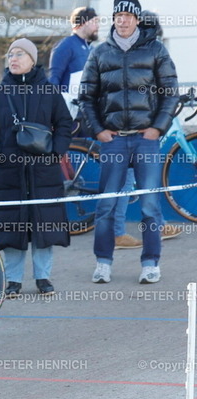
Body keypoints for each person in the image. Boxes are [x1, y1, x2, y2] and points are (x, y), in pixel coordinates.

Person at [79, 0, 179, 284]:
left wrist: (157, 128)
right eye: (118, 15)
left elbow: (170, 92)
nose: (122, 20)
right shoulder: (100, 52)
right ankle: (103, 262)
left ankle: (150, 263)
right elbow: (86, 96)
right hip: (113, 141)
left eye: (127, 15)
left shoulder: (156, 49)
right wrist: (98, 130)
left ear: (137, 19)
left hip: (146, 140)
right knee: (106, 206)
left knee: (150, 205)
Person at [0, 38, 72, 297]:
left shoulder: (49, 90)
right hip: (9, 171)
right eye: (10, 54)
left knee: (44, 224)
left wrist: (55, 153)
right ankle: (13, 281)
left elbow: (64, 124)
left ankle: (43, 277)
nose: (13, 59)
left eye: (20, 54)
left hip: (44, 171)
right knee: (12, 225)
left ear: (32, 59)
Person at [48, 6, 99, 121]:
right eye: (94, 21)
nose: (98, 26)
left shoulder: (92, 49)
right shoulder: (65, 46)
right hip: (70, 116)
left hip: (89, 114)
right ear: (83, 23)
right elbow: (53, 80)